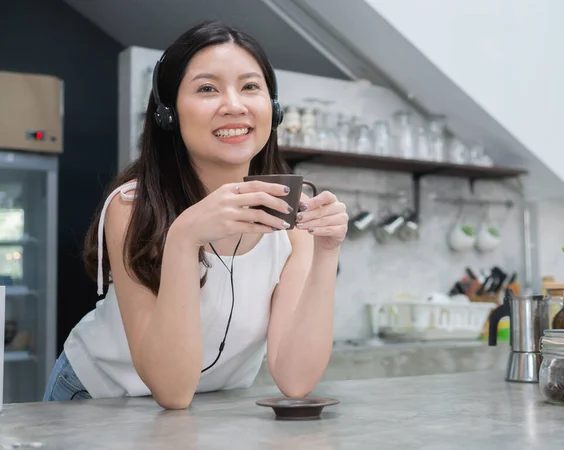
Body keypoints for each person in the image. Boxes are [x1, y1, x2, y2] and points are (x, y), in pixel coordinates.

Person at [42, 20, 348, 409]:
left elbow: (295, 379)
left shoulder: (290, 210)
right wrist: (184, 236)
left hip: (209, 406)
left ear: (273, 109)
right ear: (168, 114)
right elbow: (171, 390)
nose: (234, 105)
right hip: (99, 396)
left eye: (251, 87)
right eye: (207, 89)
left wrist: (327, 251)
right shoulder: (133, 206)